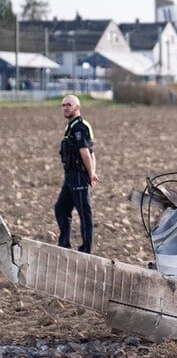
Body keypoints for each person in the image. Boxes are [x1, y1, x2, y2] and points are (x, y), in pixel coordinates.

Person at [55, 94, 98, 253]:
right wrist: (92, 171)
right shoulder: (71, 125)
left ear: (77, 107)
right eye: (63, 105)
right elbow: (91, 152)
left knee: (84, 213)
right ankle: (64, 244)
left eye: (69, 105)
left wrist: (91, 173)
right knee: (61, 209)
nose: (65, 108)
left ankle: (87, 249)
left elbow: (86, 153)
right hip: (70, 177)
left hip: (79, 176)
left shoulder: (80, 126)